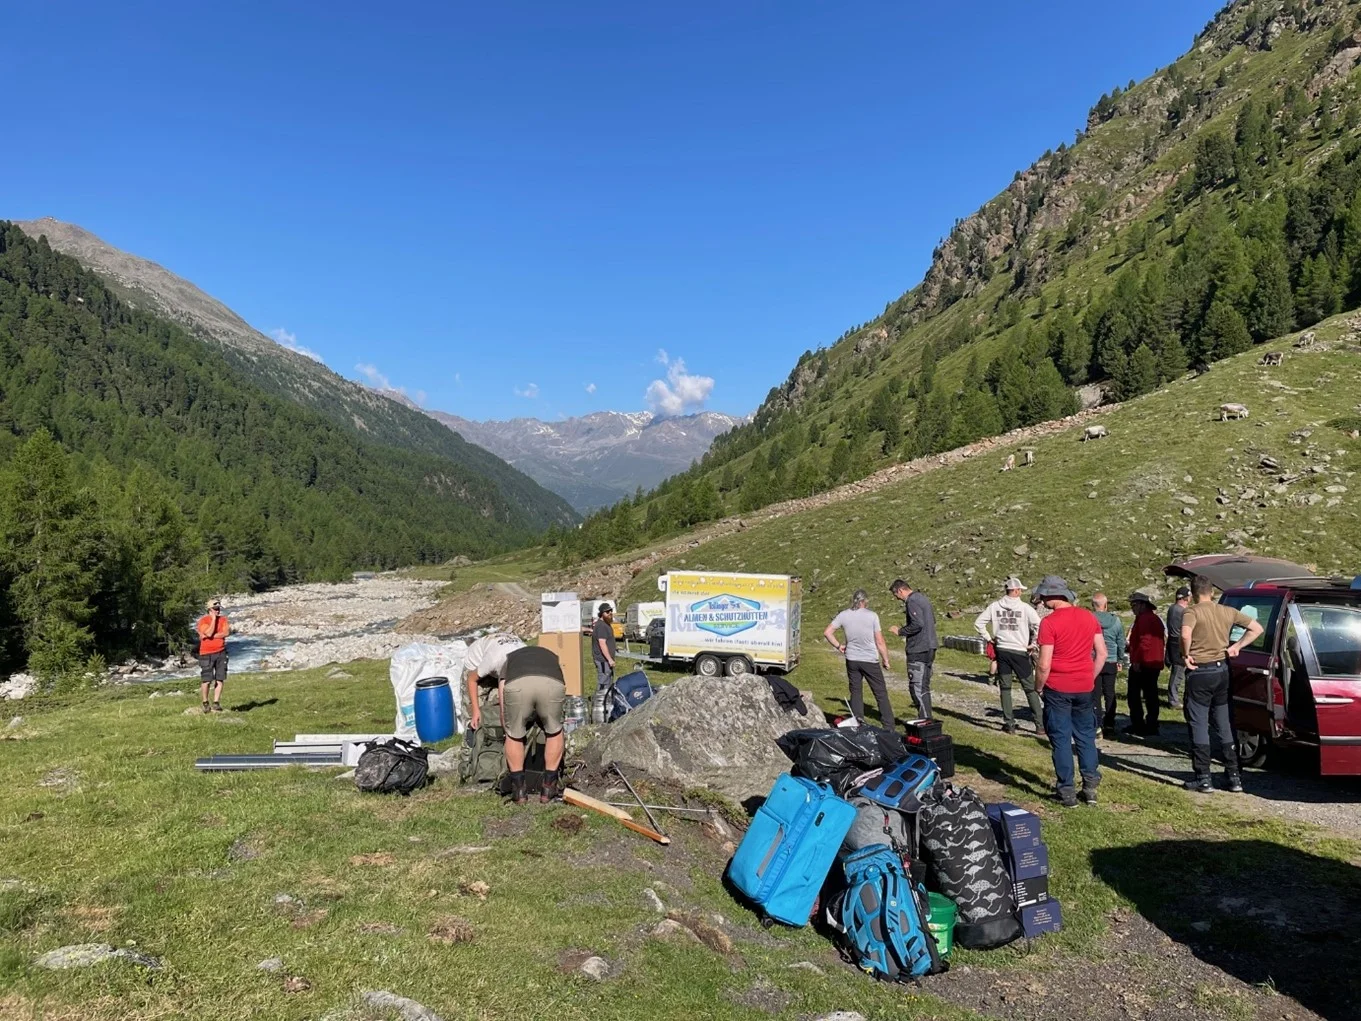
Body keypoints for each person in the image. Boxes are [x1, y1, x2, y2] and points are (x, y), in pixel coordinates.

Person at [1180, 577, 1263, 794]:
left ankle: (1204, 777)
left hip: (1200, 671)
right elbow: (1257, 628)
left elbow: (1185, 634)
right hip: (1222, 669)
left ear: (1192, 594)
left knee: (1198, 723)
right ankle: (1234, 776)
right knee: (1224, 722)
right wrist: (1237, 646)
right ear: (1212, 593)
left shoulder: (1192, 612)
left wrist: (1186, 654)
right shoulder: (1227, 611)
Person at [1034, 576, 1106, 807]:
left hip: (1058, 688)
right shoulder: (1089, 616)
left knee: (1061, 739)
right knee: (1086, 736)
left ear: (1050, 596)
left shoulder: (1049, 623)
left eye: (1043, 597)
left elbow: (1044, 663)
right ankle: (1090, 785)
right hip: (1085, 687)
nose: (1042, 601)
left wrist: (1038, 686)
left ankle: (1066, 790)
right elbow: (1102, 653)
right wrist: (1089, 676)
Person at [973, 578, 1043, 736]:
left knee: (1005, 688)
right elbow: (1039, 625)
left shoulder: (995, 606)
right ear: (1017, 591)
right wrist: (1033, 642)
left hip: (1002, 650)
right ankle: (1039, 725)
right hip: (1020, 650)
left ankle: (1009, 723)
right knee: (1029, 688)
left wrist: (989, 637)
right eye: (1021, 590)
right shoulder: (1025, 608)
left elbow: (978, 623)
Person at [500, 644, 567, 805]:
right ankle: (548, 788)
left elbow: (502, 689)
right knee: (554, 730)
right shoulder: (551, 656)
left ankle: (519, 791)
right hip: (552, 683)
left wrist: (506, 722)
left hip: (517, 684)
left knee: (514, 733)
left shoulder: (509, 659)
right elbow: (561, 682)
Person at [824, 589, 894, 727]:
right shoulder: (872, 616)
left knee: (855, 691)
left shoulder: (844, 615)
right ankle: (889, 726)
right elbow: (880, 641)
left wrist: (839, 646)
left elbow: (827, 632)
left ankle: (858, 723)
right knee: (880, 692)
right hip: (869, 660)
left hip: (852, 659)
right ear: (864, 601)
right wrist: (885, 659)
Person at [888, 579, 938, 720]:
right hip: (930, 646)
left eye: (896, 595)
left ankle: (925, 719)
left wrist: (901, 631)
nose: (897, 598)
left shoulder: (911, 601)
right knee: (924, 685)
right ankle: (926, 717)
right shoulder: (923, 598)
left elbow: (918, 623)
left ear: (900, 590)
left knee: (916, 686)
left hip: (918, 649)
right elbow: (932, 621)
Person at [462, 631, 527, 731]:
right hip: (476, 664)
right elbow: (471, 680)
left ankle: (496, 737)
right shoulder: (493, 660)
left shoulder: (526, 656)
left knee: (499, 702)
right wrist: (475, 710)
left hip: (499, 652)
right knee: (474, 710)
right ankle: (471, 742)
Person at [1127, 593, 1166, 736]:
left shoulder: (1144, 619)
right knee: (1151, 695)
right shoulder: (1155, 618)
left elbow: (1145, 642)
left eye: (1135, 605)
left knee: (1134, 695)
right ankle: (1152, 724)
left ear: (1143, 605)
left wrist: (1137, 660)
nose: (1132, 608)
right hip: (1154, 662)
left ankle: (1138, 724)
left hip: (1144, 663)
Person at [1090, 594, 1126, 739]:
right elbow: (1121, 641)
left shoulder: (1089, 619)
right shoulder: (1116, 621)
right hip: (1111, 660)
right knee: (1110, 693)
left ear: (1093, 605)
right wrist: (1120, 659)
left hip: (1094, 660)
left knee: (1095, 694)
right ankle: (1110, 724)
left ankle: (1097, 725)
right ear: (1106, 605)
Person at [196, 598, 231, 713]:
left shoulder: (224, 619)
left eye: (219, 609)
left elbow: (226, 633)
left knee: (220, 678)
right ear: (210, 609)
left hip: (221, 652)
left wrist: (209, 636)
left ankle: (216, 702)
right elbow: (209, 632)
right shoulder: (203, 621)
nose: (218, 611)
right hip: (206, 653)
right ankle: (205, 702)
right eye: (215, 609)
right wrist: (213, 620)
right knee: (206, 679)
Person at [1165, 586, 1191, 710]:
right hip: (1178, 642)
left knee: (1177, 671)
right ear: (1186, 598)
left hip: (1172, 641)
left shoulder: (1172, 608)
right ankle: (1173, 700)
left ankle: (1173, 697)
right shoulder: (1182, 611)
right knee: (1178, 672)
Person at [591, 603, 618, 696]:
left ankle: (607, 700)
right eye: (607, 612)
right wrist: (609, 659)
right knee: (603, 681)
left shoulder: (606, 624)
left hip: (606, 659)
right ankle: (600, 701)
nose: (610, 613)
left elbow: (607, 641)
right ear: (602, 613)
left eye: (611, 611)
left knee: (608, 681)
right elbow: (602, 643)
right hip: (603, 659)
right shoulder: (601, 626)